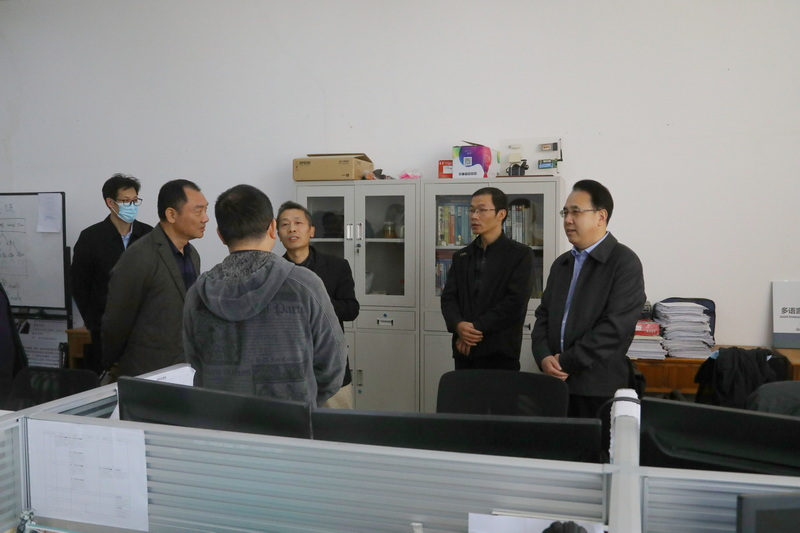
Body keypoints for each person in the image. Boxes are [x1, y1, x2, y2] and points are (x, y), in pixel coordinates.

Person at [183, 185, 345, 406]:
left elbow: (193, 364)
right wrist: (304, 401)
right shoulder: (305, 285)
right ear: (273, 228)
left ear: (220, 235)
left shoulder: (198, 293)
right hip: (290, 420)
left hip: (221, 419)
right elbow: (333, 365)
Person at [531, 179, 645, 432]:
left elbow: (615, 329)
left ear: (601, 216)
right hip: (555, 384)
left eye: (576, 212)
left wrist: (566, 361)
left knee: (593, 452)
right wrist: (543, 356)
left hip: (596, 389)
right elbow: (543, 316)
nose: (568, 220)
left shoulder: (624, 263)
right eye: (565, 212)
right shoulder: (562, 264)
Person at [102, 179, 208, 378]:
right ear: (171, 214)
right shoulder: (140, 255)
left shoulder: (192, 254)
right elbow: (117, 320)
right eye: (198, 211)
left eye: (205, 210)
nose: (205, 218)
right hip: (148, 371)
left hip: (185, 367)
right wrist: (113, 363)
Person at [440, 187, 535, 370]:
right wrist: (458, 325)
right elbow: (449, 298)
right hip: (464, 351)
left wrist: (473, 330)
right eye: (472, 210)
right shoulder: (462, 256)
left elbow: (514, 303)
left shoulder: (520, 254)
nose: (474, 216)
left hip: (499, 352)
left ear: (501, 214)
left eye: (482, 210)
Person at [277, 200, 359, 408]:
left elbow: (351, 309)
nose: (292, 229)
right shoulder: (273, 272)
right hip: (289, 369)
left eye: (298, 223)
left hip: (331, 366)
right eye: (284, 224)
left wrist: (316, 303)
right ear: (277, 233)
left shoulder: (337, 266)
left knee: (337, 424)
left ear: (311, 230)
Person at [70, 173, 153, 373]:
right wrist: (94, 322)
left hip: (144, 331)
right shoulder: (91, 238)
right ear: (110, 203)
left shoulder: (149, 235)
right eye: (125, 201)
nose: (131, 206)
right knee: (106, 381)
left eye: (135, 200)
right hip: (104, 330)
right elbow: (79, 285)